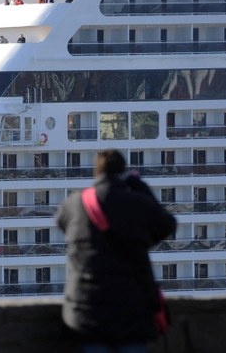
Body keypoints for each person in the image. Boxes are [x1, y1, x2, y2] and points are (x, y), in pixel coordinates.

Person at [56, 150, 176, 353]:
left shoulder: (75, 204)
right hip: (132, 309)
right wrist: (141, 187)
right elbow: (167, 225)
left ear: (97, 172)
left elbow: (62, 223)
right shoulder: (138, 204)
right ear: (122, 172)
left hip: (87, 310)